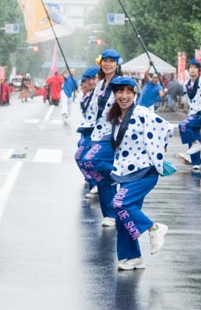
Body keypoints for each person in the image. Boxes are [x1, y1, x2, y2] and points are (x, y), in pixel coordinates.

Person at [105, 77, 174, 270]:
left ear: (134, 94)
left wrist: (159, 150)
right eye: (120, 92)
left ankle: (154, 228)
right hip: (124, 173)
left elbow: (167, 129)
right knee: (123, 216)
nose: (124, 96)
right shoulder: (115, 116)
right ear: (115, 94)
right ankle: (132, 257)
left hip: (145, 172)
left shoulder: (143, 113)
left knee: (119, 203)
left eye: (128, 92)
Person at [81, 49, 123, 226]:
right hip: (97, 132)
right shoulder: (99, 85)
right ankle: (110, 215)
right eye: (104, 61)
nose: (107, 64)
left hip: (113, 133)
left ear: (117, 64)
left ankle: (119, 174)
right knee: (100, 176)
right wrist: (86, 128)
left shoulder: (120, 83)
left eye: (111, 61)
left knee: (91, 160)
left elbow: (129, 106)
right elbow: (92, 110)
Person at [178, 59, 201, 171]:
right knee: (194, 134)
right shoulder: (186, 83)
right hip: (192, 113)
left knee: (183, 126)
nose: (192, 70)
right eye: (190, 67)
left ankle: (195, 143)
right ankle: (196, 162)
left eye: (195, 68)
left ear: (199, 70)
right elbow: (186, 96)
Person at [74, 66, 100, 195]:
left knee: (81, 157)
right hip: (87, 130)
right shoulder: (85, 95)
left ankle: (96, 182)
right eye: (87, 80)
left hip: (97, 131)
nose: (90, 82)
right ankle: (92, 179)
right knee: (82, 154)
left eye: (93, 78)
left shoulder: (99, 92)